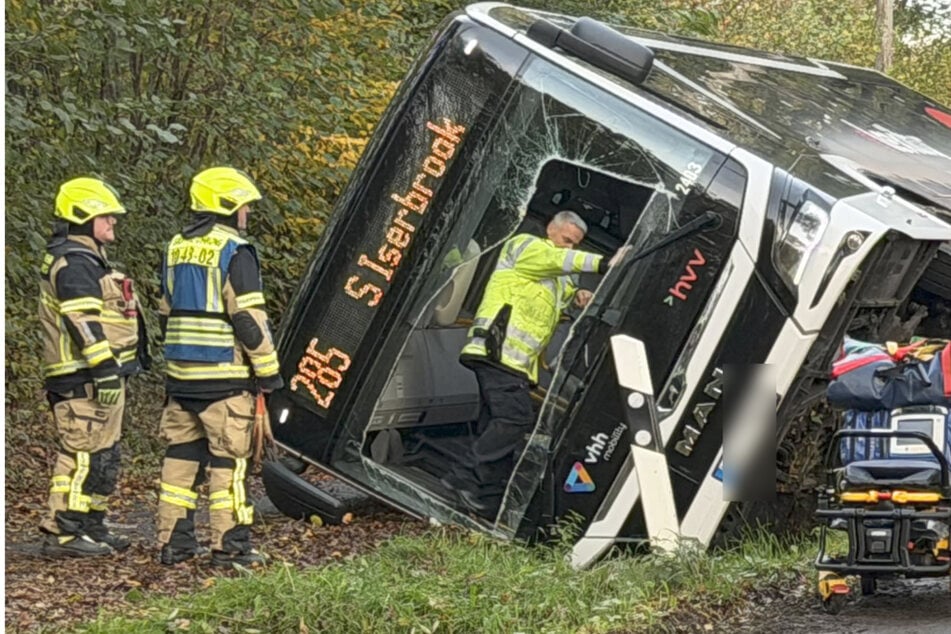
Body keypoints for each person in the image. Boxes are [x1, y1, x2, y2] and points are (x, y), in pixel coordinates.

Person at [446, 211, 627, 517]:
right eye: (566, 240)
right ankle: (462, 478)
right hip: (496, 350)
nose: (569, 248)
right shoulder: (525, 246)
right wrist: (604, 262)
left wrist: (578, 294)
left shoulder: (558, 272)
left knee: (497, 423)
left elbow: (558, 290)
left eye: (575, 244)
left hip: (515, 363)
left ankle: (487, 498)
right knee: (515, 418)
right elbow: (551, 261)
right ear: (550, 230)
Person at [156, 166, 283, 567]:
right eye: (244, 206)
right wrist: (268, 372)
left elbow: (165, 311)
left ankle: (174, 545)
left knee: (180, 463)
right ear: (227, 205)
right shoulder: (235, 251)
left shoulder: (175, 247)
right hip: (224, 381)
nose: (247, 213)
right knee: (230, 465)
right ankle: (231, 548)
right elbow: (247, 320)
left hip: (181, 378)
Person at [38, 177, 147, 557]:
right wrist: (103, 368)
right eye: (107, 217)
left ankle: (90, 525)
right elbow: (81, 321)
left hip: (99, 375)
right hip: (81, 377)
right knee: (82, 454)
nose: (113, 223)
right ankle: (62, 532)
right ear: (83, 216)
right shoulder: (75, 264)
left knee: (104, 454)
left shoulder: (88, 260)